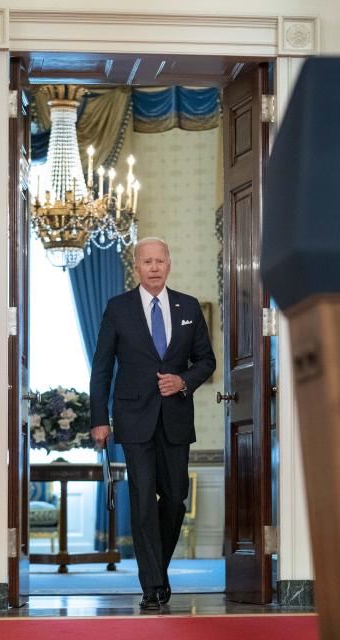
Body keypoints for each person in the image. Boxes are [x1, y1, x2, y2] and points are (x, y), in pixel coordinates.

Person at [90, 237, 216, 610]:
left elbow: (206, 361)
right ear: (136, 266)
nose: (155, 267)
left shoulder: (189, 306)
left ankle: (156, 568)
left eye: (161, 260)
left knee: (175, 501)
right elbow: (101, 368)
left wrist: (183, 381)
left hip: (175, 418)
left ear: (169, 264)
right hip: (132, 419)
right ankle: (153, 585)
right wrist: (100, 419)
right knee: (143, 499)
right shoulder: (118, 308)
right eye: (147, 261)